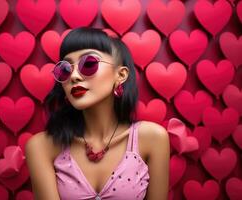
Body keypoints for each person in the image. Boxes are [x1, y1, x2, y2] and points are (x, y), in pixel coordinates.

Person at [25, 27, 170, 200]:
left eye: (89, 64)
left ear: (121, 75)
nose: (74, 76)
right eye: (65, 69)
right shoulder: (41, 146)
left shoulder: (152, 138)